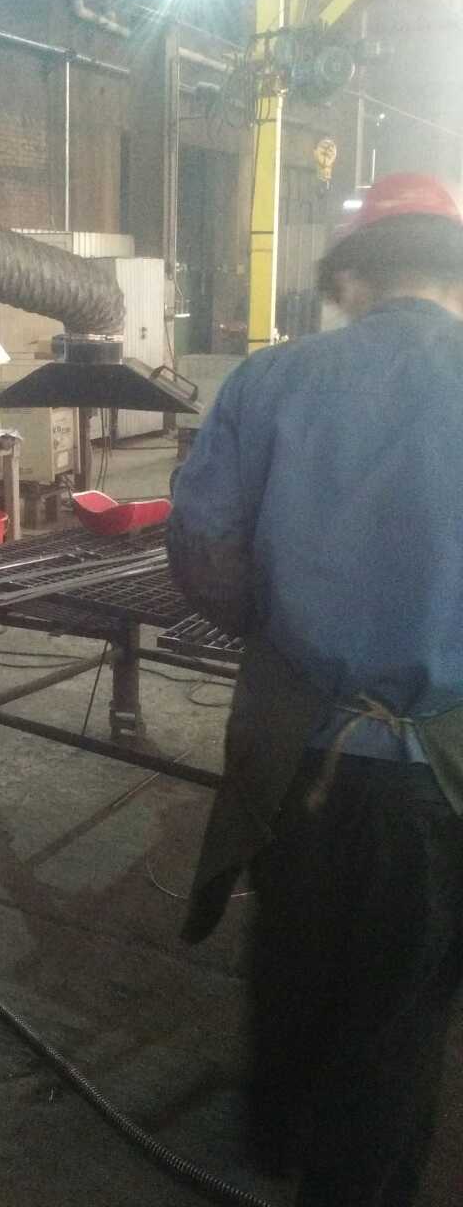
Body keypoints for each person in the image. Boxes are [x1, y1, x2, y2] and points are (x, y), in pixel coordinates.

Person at [167, 172, 463, 1207]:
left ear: (349, 278)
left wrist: (287, 628)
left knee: (292, 952)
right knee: (398, 1020)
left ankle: (276, 1136)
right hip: (439, 773)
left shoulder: (273, 380)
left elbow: (202, 548)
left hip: (292, 752)